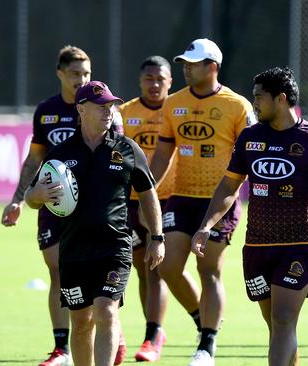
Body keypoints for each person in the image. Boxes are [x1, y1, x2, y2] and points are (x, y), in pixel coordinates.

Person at [191, 66, 308, 366]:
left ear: (280, 99)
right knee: (277, 325)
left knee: (282, 319)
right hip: (256, 247)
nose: (254, 103)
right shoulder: (249, 138)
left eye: (259, 98)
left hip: (298, 245)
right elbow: (229, 185)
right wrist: (206, 225)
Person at [25, 81, 165, 366]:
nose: (108, 111)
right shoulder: (61, 153)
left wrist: (157, 237)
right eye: (101, 106)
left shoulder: (127, 149)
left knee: (106, 310)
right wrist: (35, 195)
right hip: (74, 249)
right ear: (81, 109)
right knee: (80, 322)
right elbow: (32, 196)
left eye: (111, 105)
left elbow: (149, 195)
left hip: (114, 247)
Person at [149, 38, 255, 366]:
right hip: (182, 197)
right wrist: (145, 188)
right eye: (184, 62)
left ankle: (207, 345)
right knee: (167, 266)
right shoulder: (173, 103)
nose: (185, 68)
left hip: (220, 200)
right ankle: (203, 319)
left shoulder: (237, 106)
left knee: (208, 268)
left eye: (192, 64)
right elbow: (165, 150)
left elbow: (251, 155)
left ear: (212, 67)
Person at [1, 45, 91, 366]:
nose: (81, 79)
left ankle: (102, 329)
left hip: (89, 207)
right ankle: (61, 349)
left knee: (88, 274)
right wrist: (17, 199)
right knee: (58, 272)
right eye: (75, 74)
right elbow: (35, 157)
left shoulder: (95, 105)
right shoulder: (46, 111)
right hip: (52, 205)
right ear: (60, 74)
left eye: (86, 73)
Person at [119, 55, 201, 362]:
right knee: (143, 270)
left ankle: (154, 335)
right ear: (140, 82)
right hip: (132, 200)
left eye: (160, 79)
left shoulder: (179, 111)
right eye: (148, 79)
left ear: (170, 82)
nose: (154, 85)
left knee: (162, 269)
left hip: (172, 199)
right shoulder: (125, 113)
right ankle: (184, 324)